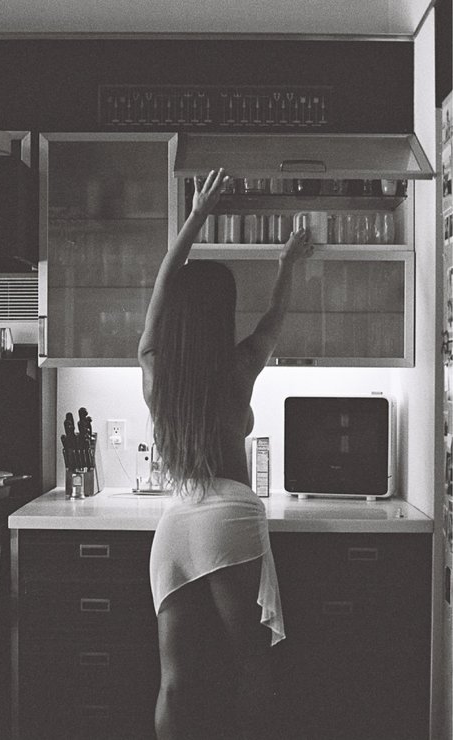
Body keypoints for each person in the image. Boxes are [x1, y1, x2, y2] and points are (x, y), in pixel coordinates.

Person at [138, 168, 314, 740]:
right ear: (221, 314)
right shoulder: (237, 367)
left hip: (176, 526)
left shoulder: (156, 370)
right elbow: (273, 321)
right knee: (252, 665)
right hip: (230, 517)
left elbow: (162, 289)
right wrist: (287, 265)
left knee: (174, 682)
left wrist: (196, 217)